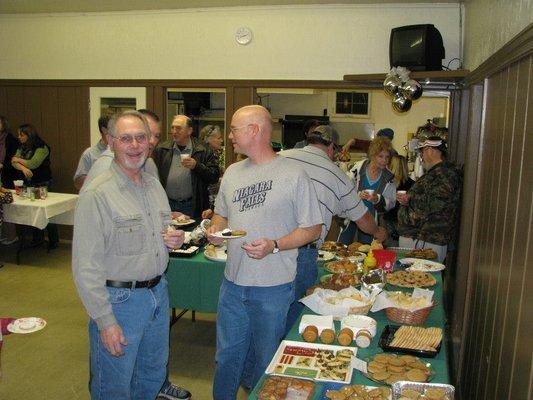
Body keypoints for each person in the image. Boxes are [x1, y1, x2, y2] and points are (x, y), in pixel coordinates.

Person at [207, 105, 322, 398]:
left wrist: (274, 245)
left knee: (266, 363)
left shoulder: (294, 173)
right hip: (232, 286)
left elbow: (312, 229)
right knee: (226, 360)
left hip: (273, 288)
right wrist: (216, 231)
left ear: (254, 130)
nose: (229, 135)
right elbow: (221, 215)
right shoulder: (232, 172)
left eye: (234, 129)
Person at [72, 110, 186, 400]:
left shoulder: (153, 185)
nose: (135, 146)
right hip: (120, 303)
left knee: (151, 376)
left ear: (149, 142)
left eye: (141, 138)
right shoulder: (97, 194)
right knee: (114, 385)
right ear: (111, 142)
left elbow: (160, 230)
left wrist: (173, 238)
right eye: (126, 139)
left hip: (158, 294)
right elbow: (85, 267)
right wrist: (105, 321)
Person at [279, 125, 388, 331]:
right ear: (331, 148)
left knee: (269, 310)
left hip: (271, 247)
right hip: (302, 251)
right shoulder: (336, 173)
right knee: (297, 310)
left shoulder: (281, 158)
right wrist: (377, 232)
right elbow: (363, 219)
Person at [397, 136, 461, 263]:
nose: (421, 156)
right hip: (420, 238)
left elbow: (438, 203)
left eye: (423, 151)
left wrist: (410, 198)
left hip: (427, 240)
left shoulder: (445, 175)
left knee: (420, 279)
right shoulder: (436, 173)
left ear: (431, 150)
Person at [152, 115, 220, 218]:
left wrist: (196, 166)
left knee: (191, 234)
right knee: (168, 233)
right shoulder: (162, 150)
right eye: (172, 128)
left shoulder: (203, 149)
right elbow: (153, 177)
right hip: (167, 205)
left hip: (192, 206)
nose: (174, 131)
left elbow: (214, 176)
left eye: (178, 128)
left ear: (189, 130)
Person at [80, 109, 160, 193]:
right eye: (146, 135)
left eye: (157, 136)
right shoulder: (105, 167)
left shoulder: (149, 164)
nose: (152, 141)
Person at [339, 136, 396, 244]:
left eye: (387, 157)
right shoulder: (357, 169)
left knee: (368, 254)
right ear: (373, 155)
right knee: (343, 250)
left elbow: (391, 203)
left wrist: (378, 199)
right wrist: (357, 195)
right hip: (351, 219)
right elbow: (345, 191)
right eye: (381, 156)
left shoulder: (389, 178)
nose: (384, 161)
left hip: (372, 224)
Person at [11, 123, 59, 248]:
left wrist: (18, 160)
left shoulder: (41, 147)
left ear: (29, 135)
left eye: (21, 135)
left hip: (42, 183)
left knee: (46, 211)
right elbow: (12, 161)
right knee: (33, 211)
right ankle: (38, 238)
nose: (19, 137)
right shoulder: (22, 147)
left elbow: (33, 163)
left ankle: (53, 240)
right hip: (29, 183)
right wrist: (23, 168)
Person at [383, 154, 414, 247]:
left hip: (389, 218)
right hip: (405, 221)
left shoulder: (387, 183)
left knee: (391, 247)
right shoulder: (412, 184)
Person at [73, 116, 110, 191]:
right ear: (104, 130)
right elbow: (78, 183)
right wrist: (99, 176)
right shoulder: (89, 154)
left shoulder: (123, 152)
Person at [0, 116, 19, 244]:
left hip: (8, 175)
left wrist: (3, 165)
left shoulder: (10, 140)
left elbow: (13, 159)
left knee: (8, 207)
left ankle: (12, 235)